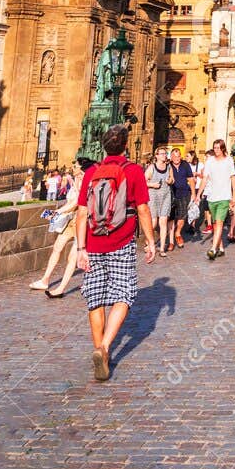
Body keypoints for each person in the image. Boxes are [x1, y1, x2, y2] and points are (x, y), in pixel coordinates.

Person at [75, 125, 156, 382]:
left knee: (95, 297)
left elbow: (81, 213)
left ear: (103, 146)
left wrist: (80, 248)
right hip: (121, 242)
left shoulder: (92, 173)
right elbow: (142, 209)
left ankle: (101, 353)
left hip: (93, 242)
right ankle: (105, 348)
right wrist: (151, 241)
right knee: (124, 293)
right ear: (125, 145)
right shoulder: (133, 171)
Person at [30, 159, 88, 296]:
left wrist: (57, 212)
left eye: (75, 166)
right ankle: (45, 280)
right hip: (71, 220)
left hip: (82, 222)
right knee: (57, 247)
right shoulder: (75, 180)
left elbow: (75, 203)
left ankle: (61, 289)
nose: (73, 168)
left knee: (73, 257)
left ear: (82, 168)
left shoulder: (86, 180)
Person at [199, 139, 235, 259]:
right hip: (212, 197)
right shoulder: (210, 161)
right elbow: (205, 178)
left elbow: (233, 178)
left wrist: (233, 196)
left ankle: (213, 249)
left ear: (223, 148)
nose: (216, 150)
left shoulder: (229, 161)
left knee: (219, 222)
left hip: (224, 197)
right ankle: (221, 248)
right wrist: (199, 193)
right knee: (215, 224)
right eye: (215, 148)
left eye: (219, 148)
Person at [145, 146, 173, 255]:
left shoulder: (168, 167)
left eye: (165, 153)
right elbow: (143, 182)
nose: (164, 155)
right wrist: (152, 184)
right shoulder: (152, 167)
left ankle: (161, 248)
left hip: (166, 195)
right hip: (153, 196)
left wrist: (169, 180)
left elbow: (172, 179)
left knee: (163, 222)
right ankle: (148, 242)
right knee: (153, 222)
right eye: (162, 154)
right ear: (156, 156)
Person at [167, 147, 194, 250]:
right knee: (171, 218)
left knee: (182, 216)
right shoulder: (168, 165)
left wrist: (194, 194)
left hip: (184, 194)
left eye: (178, 156)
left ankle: (177, 233)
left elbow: (191, 179)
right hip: (171, 195)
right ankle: (171, 242)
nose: (177, 158)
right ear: (171, 157)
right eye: (175, 156)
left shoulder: (185, 164)